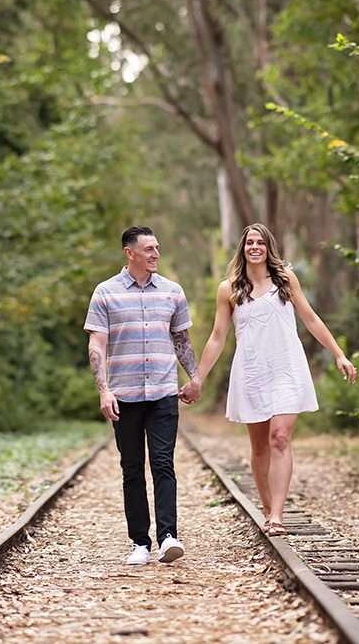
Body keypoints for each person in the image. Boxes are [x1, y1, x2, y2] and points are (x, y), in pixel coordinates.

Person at [180, 223, 356, 536]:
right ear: (243, 248)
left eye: (261, 242)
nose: (255, 247)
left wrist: (339, 353)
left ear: (268, 247)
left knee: (280, 437)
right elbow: (218, 338)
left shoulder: (285, 279)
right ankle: (265, 506)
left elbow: (311, 318)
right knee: (260, 446)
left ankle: (277, 515)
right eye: (250, 242)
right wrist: (198, 378)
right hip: (251, 372)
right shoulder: (229, 288)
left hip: (287, 368)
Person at [84, 225, 200, 565]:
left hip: (163, 391)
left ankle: (168, 537)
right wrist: (104, 391)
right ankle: (140, 542)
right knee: (131, 467)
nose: (155, 254)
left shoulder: (172, 291)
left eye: (157, 248)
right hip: (124, 394)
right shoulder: (105, 293)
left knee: (163, 463)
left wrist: (194, 377)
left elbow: (181, 340)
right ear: (129, 253)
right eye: (149, 249)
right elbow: (97, 344)